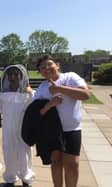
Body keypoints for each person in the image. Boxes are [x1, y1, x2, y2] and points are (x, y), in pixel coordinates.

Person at [34, 54, 90, 187]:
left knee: (72, 166)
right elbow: (37, 114)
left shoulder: (70, 77)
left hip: (71, 130)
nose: (46, 68)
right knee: (56, 163)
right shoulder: (42, 88)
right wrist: (49, 105)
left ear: (57, 65)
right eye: (42, 67)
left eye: (49, 64)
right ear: (40, 72)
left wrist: (59, 89)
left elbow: (85, 94)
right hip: (51, 132)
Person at [0, 64, 35, 187]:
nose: (12, 76)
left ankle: (26, 179)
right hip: (8, 130)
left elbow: (38, 106)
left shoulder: (29, 94)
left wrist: (32, 94)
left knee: (24, 155)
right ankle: (10, 179)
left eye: (16, 74)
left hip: (24, 130)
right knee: (9, 154)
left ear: (21, 76)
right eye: (10, 74)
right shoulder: (3, 94)